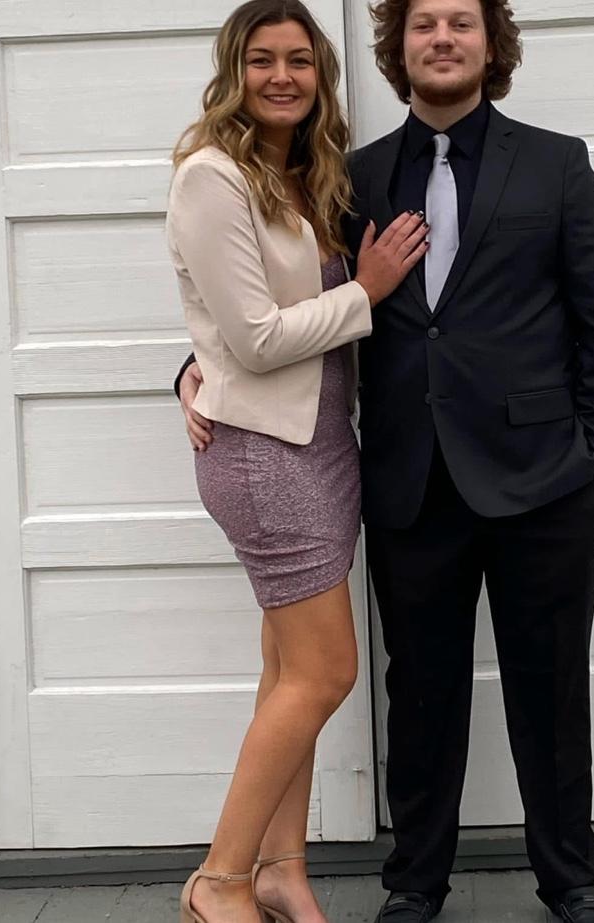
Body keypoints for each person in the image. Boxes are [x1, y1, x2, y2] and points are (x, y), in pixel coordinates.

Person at [178, 0, 594, 919]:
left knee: (549, 688)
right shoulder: (347, 176)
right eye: (423, 24)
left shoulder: (556, 163)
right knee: (419, 691)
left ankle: (569, 877)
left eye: (461, 23)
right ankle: (415, 881)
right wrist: (192, 370)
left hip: (544, 477)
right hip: (407, 479)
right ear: (398, 48)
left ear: (491, 44)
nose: (442, 39)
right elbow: (268, 297)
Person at [167, 2, 428, 922]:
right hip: (263, 455)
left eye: (300, 61)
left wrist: (194, 366)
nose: (282, 77)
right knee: (325, 673)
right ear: (232, 73)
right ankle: (219, 880)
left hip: (320, 446)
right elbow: (254, 336)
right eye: (261, 60)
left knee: (288, 673)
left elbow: (230, 328)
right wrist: (369, 288)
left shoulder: (301, 173)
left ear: (321, 75)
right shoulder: (211, 176)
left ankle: (282, 869)